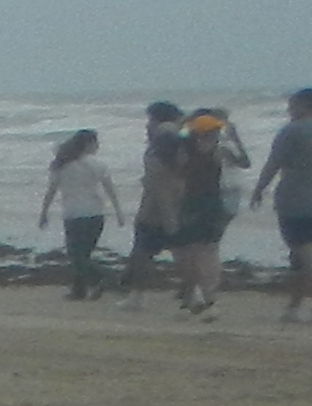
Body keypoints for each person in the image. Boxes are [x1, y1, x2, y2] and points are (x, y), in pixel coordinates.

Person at [171, 104, 250, 317]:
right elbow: (244, 162)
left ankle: (196, 296)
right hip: (212, 203)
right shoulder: (219, 151)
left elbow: (178, 173)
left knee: (191, 252)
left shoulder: (184, 151)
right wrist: (234, 136)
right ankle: (208, 299)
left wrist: (185, 123)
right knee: (207, 252)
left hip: (192, 204)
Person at [38, 129, 123, 299]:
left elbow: (51, 191)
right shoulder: (98, 164)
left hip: (74, 214)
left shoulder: (62, 164)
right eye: (96, 143)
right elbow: (110, 189)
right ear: (88, 144)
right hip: (96, 213)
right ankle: (80, 290)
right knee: (83, 255)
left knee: (77, 256)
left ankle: (106, 275)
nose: (98, 146)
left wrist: (44, 212)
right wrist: (118, 211)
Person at [253, 91, 312, 321]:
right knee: (301, 257)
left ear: (304, 105)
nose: (289, 110)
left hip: (296, 200)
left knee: (301, 255)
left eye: (292, 105)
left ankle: (295, 308)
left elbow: (273, 163)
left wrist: (259, 189)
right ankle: (293, 308)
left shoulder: (292, 130)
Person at [123, 100, 190, 299]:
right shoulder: (177, 134)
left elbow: (170, 169)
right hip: (169, 204)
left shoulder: (165, 134)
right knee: (180, 249)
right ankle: (191, 291)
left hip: (160, 207)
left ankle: (136, 295)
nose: (147, 124)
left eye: (150, 119)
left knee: (145, 250)